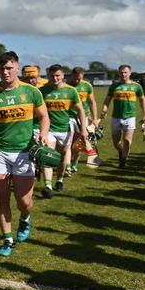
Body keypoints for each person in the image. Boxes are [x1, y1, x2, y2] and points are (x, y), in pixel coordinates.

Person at [0, 51, 49, 257]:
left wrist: (43, 134)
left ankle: (25, 218)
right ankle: (8, 239)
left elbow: (44, 116)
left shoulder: (31, 92)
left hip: (24, 152)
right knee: (2, 198)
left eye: (9, 68)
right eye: (2, 69)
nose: (6, 72)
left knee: (24, 201)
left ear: (17, 68)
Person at [38, 64, 87, 198]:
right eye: (52, 75)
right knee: (47, 155)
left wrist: (83, 129)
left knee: (62, 157)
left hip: (64, 129)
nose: (55, 78)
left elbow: (80, 110)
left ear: (63, 76)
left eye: (57, 75)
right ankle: (48, 186)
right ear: (48, 76)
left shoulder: (71, 91)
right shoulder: (42, 91)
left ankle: (59, 179)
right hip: (49, 130)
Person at [101, 64, 145, 168]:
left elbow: (143, 100)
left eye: (125, 72)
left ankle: (123, 161)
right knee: (116, 142)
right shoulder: (114, 86)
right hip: (116, 117)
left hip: (130, 117)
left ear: (130, 73)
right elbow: (107, 100)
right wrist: (104, 110)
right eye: (121, 72)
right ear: (119, 73)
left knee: (127, 140)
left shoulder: (136, 86)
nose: (123, 74)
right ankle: (121, 152)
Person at [67, 67, 99, 172]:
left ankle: (74, 165)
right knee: (69, 141)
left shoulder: (87, 86)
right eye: (75, 78)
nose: (77, 81)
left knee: (79, 142)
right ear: (72, 75)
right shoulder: (66, 85)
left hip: (83, 116)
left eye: (79, 79)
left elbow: (92, 102)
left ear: (83, 76)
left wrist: (94, 119)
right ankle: (67, 165)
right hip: (68, 116)